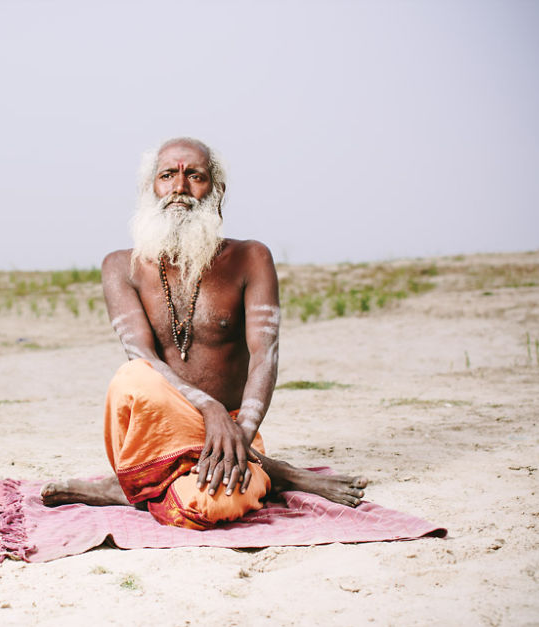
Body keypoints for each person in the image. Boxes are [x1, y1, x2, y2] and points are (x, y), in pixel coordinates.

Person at [42, 137, 367, 529]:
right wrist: (208, 409)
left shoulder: (251, 257)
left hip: (232, 427)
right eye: (167, 176)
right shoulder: (119, 266)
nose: (179, 188)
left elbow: (265, 354)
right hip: (159, 427)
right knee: (131, 378)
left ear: (217, 191)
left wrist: (241, 433)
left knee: (210, 506)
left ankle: (130, 488)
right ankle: (277, 473)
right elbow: (142, 359)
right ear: (151, 189)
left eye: (194, 176)